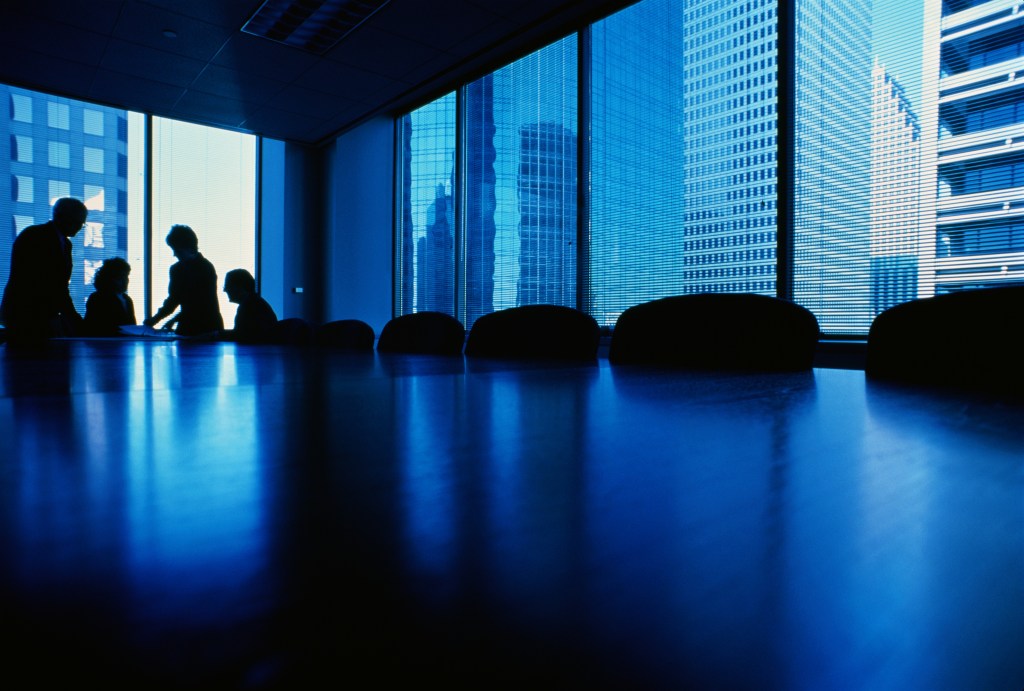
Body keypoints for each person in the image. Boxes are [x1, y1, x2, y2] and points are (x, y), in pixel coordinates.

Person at [1, 197, 88, 346]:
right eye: (79, 220)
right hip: (25, 314)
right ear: (64, 217)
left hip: (39, 316)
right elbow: (49, 284)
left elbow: (58, 286)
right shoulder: (35, 236)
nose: (81, 226)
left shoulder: (64, 244)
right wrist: (73, 319)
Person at [143, 225, 223, 336]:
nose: (174, 254)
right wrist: (155, 319)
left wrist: (160, 319)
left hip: (207, 327)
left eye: (177, 250)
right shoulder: (177, 269)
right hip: (190, 327)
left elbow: (199, 303)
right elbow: (174, 299)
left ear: (190, 248)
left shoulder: (205, 268)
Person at [83, 257, 137, 336]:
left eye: (126, 276)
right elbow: (95, 328)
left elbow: (132, 327)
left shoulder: (127, 299)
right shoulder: (98, 298)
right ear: (109, 278)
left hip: (126, 344)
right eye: (120, 277)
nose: (125, 280)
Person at [222, 268, 278, 343]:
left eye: (228, 285)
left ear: (239, 287)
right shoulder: (255, 303)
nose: (225, 289)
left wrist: (215, 335)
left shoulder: (249, 306)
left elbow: (240, 335)